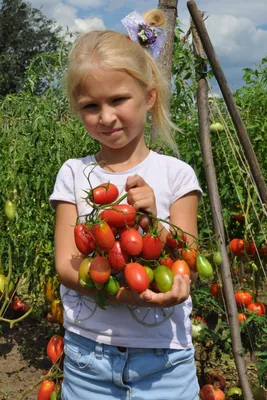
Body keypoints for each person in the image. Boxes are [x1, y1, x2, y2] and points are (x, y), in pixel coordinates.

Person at [50, 8, 202, 400]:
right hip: (88, 360)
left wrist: (153, 221)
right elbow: (68, 265)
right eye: (90, 106)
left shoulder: (176, 174)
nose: (106, 117)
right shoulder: (73, 173)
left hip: (165, 363)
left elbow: (187, 261)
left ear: (149, 97)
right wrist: (128, 295)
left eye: (118, 99)